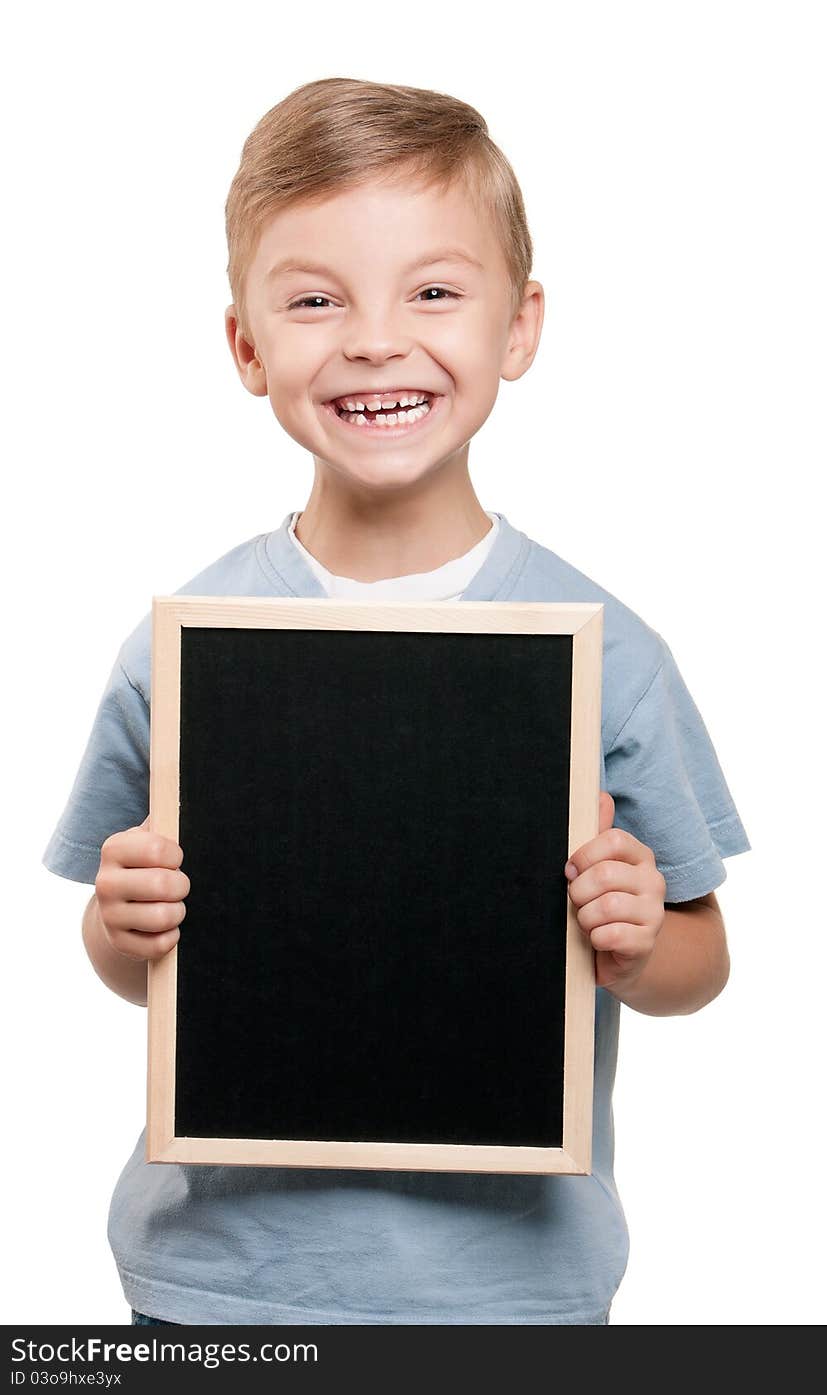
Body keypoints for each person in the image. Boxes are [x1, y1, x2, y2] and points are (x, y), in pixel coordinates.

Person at [41, 76, 750, 1327]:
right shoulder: (187, 647)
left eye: (432, 291)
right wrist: (123, 922)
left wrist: (638, 933)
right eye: (316, 300)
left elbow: (698, 961)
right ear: (247, 347)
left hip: (508, 1290)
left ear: (518, 328)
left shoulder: (608, 651)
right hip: (219, 1284)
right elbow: (128, 959)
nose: (373, 339)